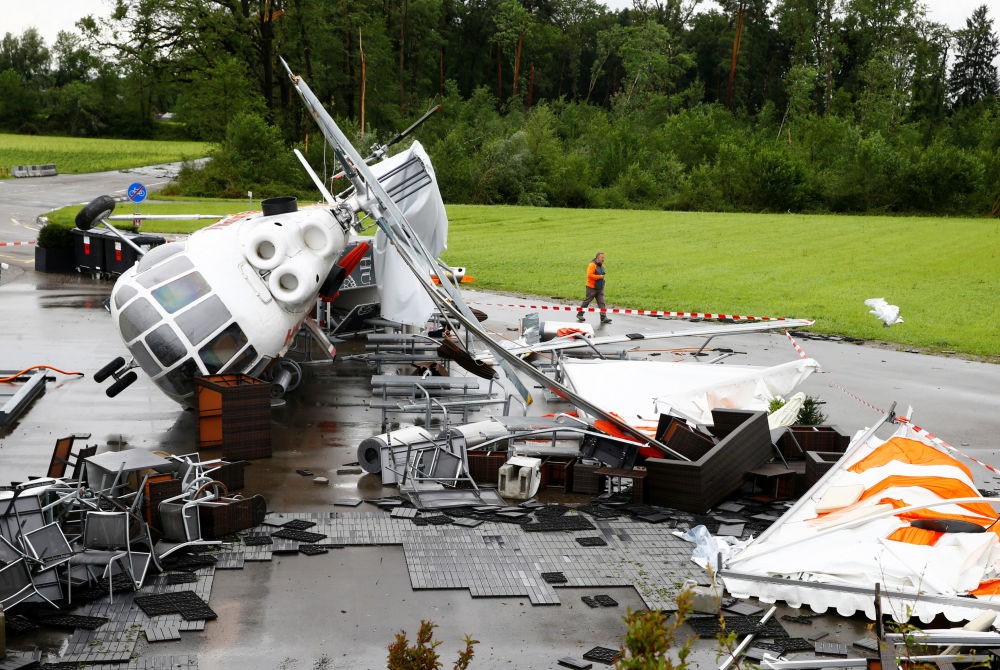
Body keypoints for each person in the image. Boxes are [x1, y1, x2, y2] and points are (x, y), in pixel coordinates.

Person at [577, 251, 612, 324]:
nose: (603, 259)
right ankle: (580, 314)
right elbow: (589, 275)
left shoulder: (601, 265)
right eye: (602, 258)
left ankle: (603, 317)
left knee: (601, 303)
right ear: (597, 258)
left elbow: (603, 274)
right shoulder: (592, 265)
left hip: (599, 288)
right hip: (591, 287)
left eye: (604, 258)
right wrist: (600, 277)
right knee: (587, 301)